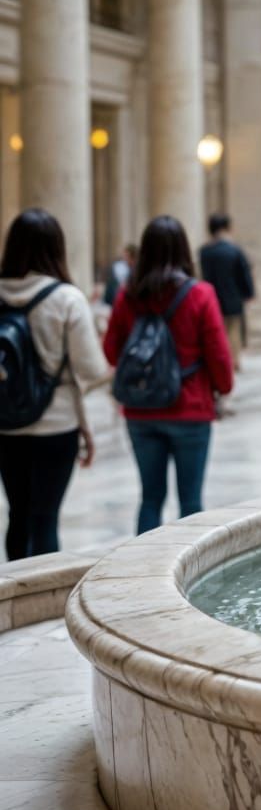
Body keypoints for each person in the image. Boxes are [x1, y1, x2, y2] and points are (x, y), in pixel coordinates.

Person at [105, 216, 234, 535]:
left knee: (150, 498)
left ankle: (138, 573)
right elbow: (219, 355)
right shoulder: (200, 294)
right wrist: (221, 388)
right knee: (190, 502)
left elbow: (111, 351)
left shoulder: (127, 295)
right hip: (190, 408)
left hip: (141, 410)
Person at [0, 209, 112, 560]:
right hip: (56, 424)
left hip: (6, 423)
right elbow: (92, 369)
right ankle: (42, 610)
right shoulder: (66, 298)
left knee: (17, 515)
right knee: (45, 518)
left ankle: (12, 601)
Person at [197, 214, 254, 373]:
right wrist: (249, 293)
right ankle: (233, 361)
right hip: (233, 296)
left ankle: (220, 359)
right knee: (233, 331)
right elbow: (244, 273)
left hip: (211, 296)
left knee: (216, 330)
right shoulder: (234, 250)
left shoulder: (205, 251)